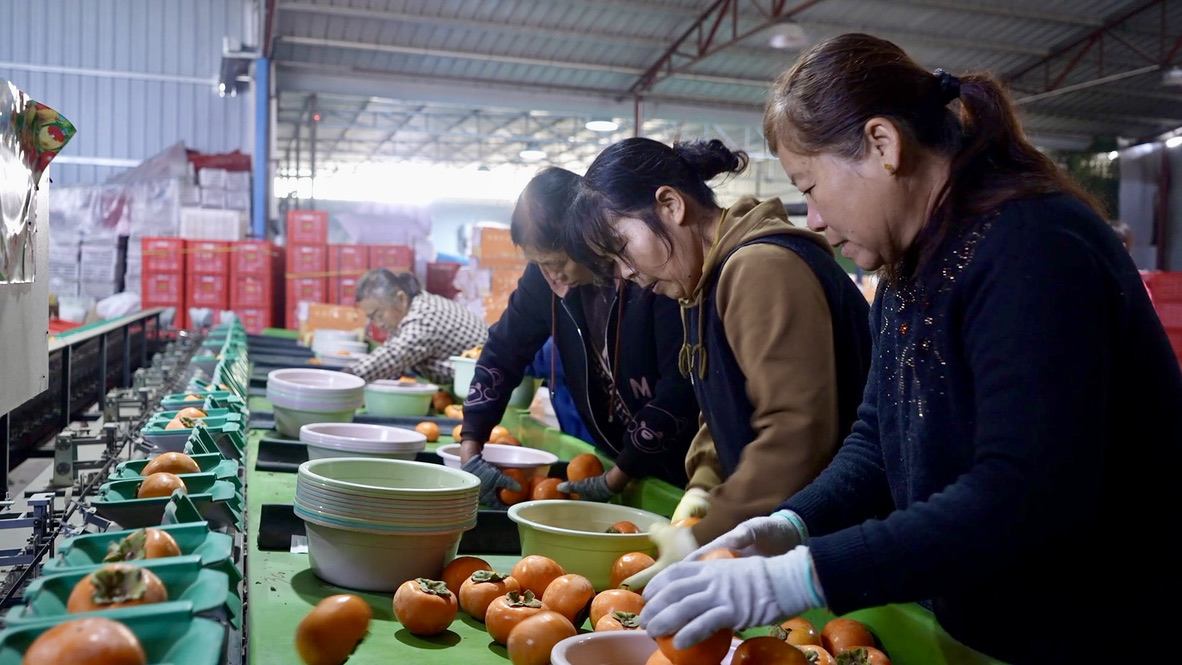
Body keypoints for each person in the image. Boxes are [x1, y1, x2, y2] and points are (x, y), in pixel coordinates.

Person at [637, 34, 1182, 664]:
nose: (810, 218)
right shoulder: (906, 265)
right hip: (981, 630)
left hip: (1099, 633)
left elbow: (1025, 492)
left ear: (882, 145)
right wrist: (791, 525)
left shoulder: (1033, 246)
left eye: (809, 185)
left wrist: (803, 577)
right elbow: (878, 440)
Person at [566, 138, 871, 587]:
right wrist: (704, 486)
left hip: (842, 543)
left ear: (670, 205)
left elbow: (796, 433)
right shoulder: (706, 283)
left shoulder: (759, 267)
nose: (625, 274)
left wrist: (701, 537)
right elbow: (727, 401)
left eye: (622, 249)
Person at [458, 168, 699, 509]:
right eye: (539, 263)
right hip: (617, 458)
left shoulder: (646, 276)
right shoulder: (544, 280)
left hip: (682, 466)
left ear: (584, 235)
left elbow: (680, 386)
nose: (550, 274)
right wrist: (471, 446)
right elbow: (503, 351)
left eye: (556, 261)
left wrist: (618, 477)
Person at [342, 269, 488, 384]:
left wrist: (349, 376)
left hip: (488, 383)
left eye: (379, 315)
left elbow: (395, 355)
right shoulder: (411, 311)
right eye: (372, 319)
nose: (378, 324)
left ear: (401, 298)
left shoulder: (424, 315)